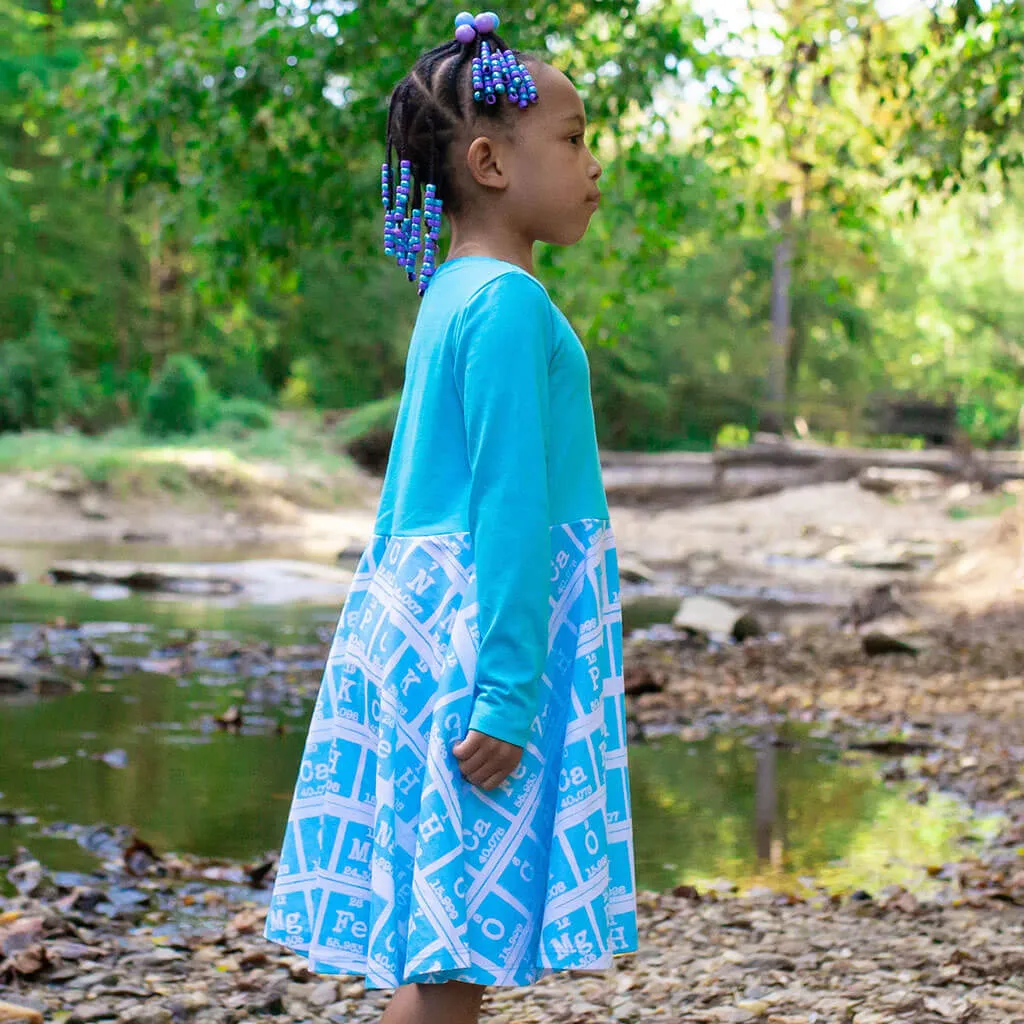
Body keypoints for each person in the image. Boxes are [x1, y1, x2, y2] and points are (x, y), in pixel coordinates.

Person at [264, 10, 637, 1023]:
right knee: (450, 947)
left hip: (418, 619)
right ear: (489, 160)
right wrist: (508, 694)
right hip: (477, 636)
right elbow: (510, 505)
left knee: (443, 936)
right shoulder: (508, 304)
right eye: (572, 138)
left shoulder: (451, 291)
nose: (593, 162)